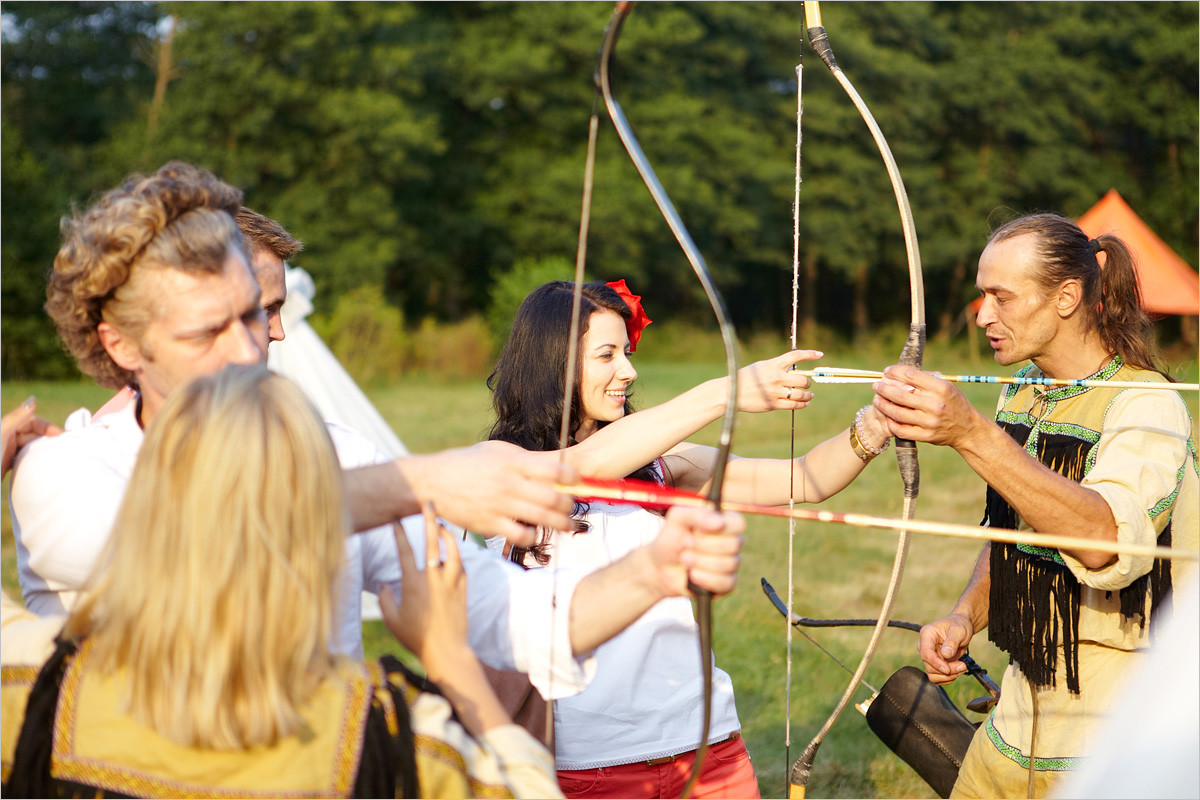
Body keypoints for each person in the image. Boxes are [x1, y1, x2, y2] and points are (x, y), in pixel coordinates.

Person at [10, 162, 746, 694]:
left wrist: (653, 571)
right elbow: (198, 541)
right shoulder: (66, 471)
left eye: (254, 315)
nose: (251, 349)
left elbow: (518, 622)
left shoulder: (342, 455)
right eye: (208, 332)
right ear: (121, 346)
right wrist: (418, 482)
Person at [2, 365, 561, 797]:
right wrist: (449, 659)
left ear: (150, 498)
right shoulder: (380, 739)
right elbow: (523, 790)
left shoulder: (34, 689)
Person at [483, 279, 893, 798]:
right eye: (606, 355)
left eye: (627, 352)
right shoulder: (505, 467)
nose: (628, 371)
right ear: (553, 365)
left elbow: (803, 478)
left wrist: (876, 424)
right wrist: (729, 391)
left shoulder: (661, 465)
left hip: (707, 748)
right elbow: (582, 466)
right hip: (588, 763)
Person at [871, 213, 1199, 798]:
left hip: (1123, 717)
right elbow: (1011, 529)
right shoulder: (1024, 387)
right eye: (981, 296)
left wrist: (972, 435)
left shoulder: (1146, 405)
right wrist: (964, 616)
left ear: (1067, 297)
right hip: (1026, 702)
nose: (984, 316)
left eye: (1002, 297)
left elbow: (1107, 545)